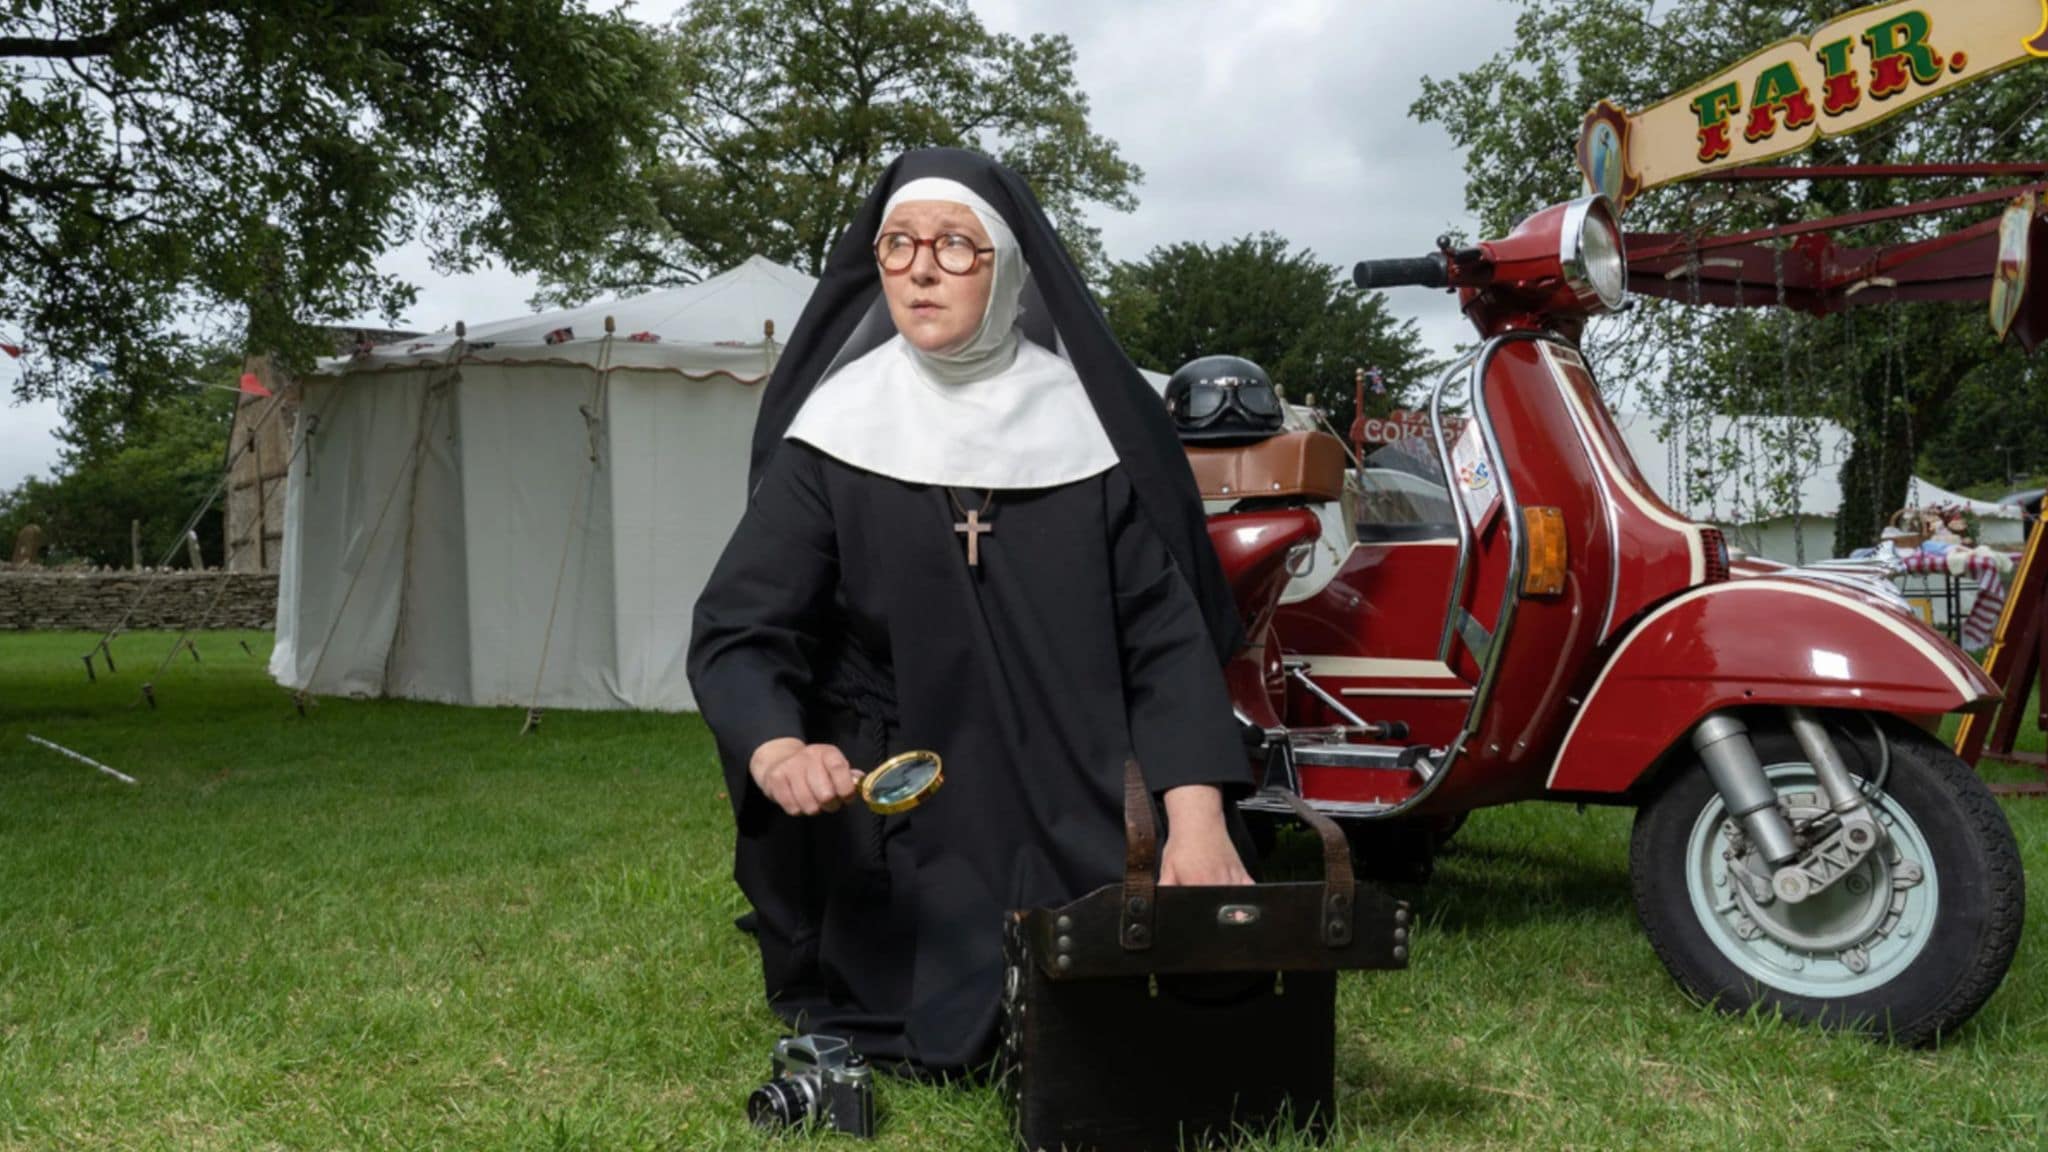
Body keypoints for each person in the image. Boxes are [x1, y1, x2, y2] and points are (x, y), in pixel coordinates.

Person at [687, 148, 1253, 1075]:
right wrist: (776, 747)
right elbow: (745, 628)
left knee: (1124, 1006)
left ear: (1010, 268)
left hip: (1075, 782)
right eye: (899, 245)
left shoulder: (1088, 429)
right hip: (908, 791)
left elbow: (1164, 645)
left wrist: (1196, 824)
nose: (919, 268)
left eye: (957, 246)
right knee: (929, 1018)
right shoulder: (839, 430)